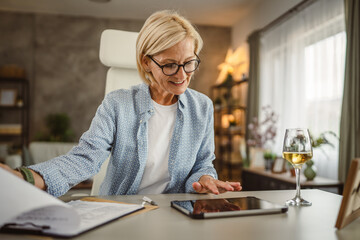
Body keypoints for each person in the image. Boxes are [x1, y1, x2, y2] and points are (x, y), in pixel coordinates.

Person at [0, 10, 241, 197]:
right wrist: (25, 178)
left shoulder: (203, 107)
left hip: (174, 213)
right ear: (147, 62)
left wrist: (205, 179)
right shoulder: (118, 104)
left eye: (189, 62)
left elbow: (202, 164)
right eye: (169, 65)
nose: (181, 75)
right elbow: (85, 158)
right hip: (120, 211)